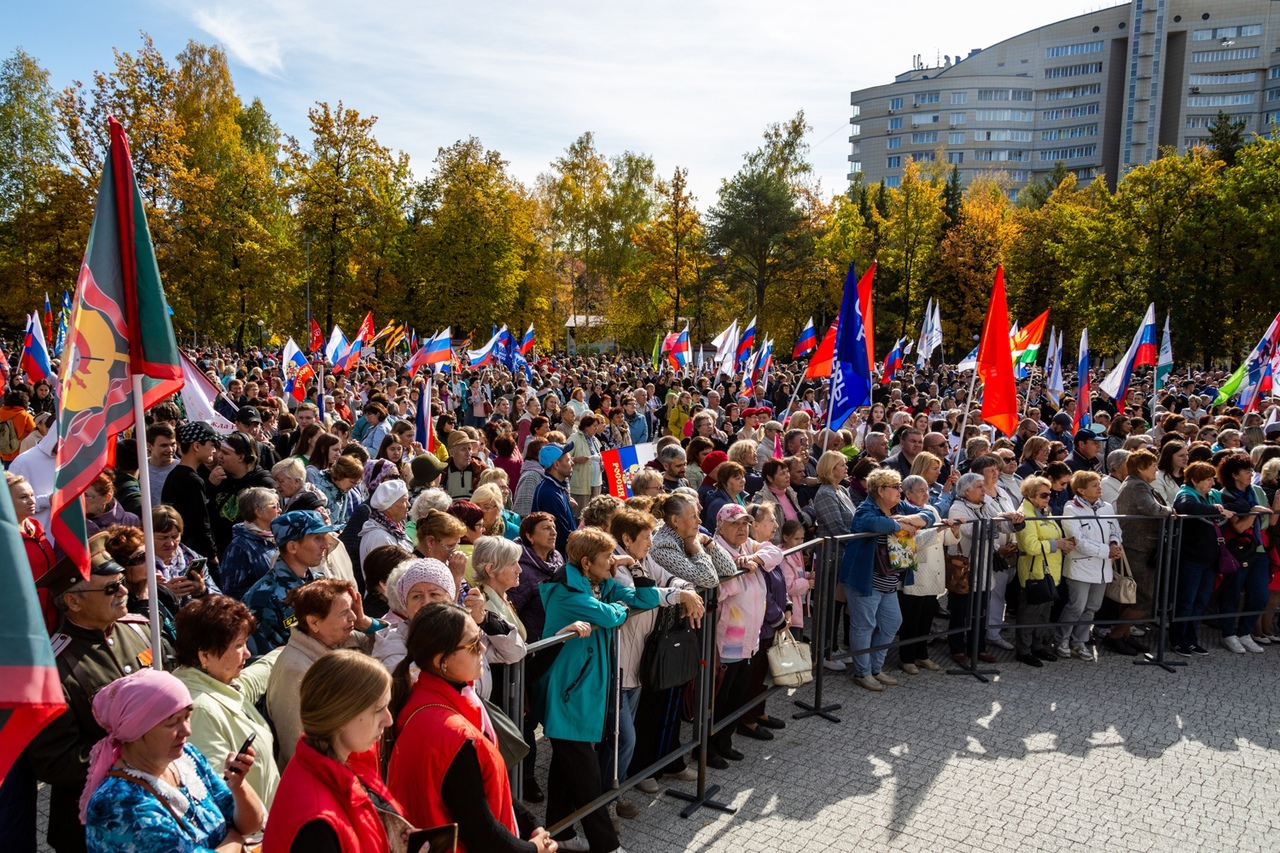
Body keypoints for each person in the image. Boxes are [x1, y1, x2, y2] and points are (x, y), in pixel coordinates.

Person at [386, 604, 558, 853]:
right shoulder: (452, 735)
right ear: (441, 661)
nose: (483, 648)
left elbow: (486, 789)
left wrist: (530, 823)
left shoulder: (425, 695)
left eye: (480, 638)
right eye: (472, 644)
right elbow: (479, 831)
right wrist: (533, 849)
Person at [24, 533, 156, 853]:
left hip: (153, 808)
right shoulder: (53, 669)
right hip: (94, 823)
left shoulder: (140, 628)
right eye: (110, 587)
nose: (124, 590)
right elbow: (54, 761)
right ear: (73, 601)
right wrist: (130, 757)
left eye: (122, 580)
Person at [535, 528, 659, 853]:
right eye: (608, 557)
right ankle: (607, 846)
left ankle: (557, 836)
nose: (613, 561)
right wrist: (617, 610)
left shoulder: (600, 584)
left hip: (585, 694)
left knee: (565, 772)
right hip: (567, 697)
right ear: (587, 562)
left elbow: (646, 599)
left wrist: (637, 568)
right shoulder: (567, 593)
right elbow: (613, 616)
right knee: (588, 781)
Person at [81, 669, 265, 853]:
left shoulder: (187, 757)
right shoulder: (120, 803)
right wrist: (233, 839)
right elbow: (238, 833)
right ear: (135, 731)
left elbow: (250, 825)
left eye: (187, 717)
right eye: (172, 722)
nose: (187, 731)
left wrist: (238, 785)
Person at [607, 508, 703, 807]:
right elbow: (639, 595)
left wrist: (685, 589)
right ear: (627, 538)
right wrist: (678, 596)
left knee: (627, 735)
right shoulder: (615, 566)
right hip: (619, 664)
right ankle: (608, 798)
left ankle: (616, 789)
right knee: (621, 739)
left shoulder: (644, 559)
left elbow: (669, 578)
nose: (651, 543)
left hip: (638, 664)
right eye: (646, 537)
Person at [263, 650, 404, 853]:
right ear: (341, 717)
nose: (388, 720)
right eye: (378, 709)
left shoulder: (339, 762)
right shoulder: (316, 824)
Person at [174, 596, 282, 808]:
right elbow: (217, 796)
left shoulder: (217, 683)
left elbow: (252, 680)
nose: (248, 653)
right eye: (239, 645)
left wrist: (287, 650)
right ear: (205, 655)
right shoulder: (200, 711)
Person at [266, 579, 381, 767]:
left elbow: (396, 642)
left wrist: (365, 623)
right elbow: (296, 746)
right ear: (314, 622)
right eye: (345, 613)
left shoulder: (347, 639)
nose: (353, 617)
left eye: (353, 609)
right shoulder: (295, 671)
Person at [841, 469, 929, 691]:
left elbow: (928, 516)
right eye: (896, 487)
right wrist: (901, 525)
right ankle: (862, 672)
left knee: (891, 623)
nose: (900, 491)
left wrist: (908, 519)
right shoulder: (865, 509)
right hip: (865, 581)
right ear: (881, 490)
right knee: (864, 626)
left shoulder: (898, 507)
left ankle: (876, 668)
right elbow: (875, 523)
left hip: (888, 582)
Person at [244, 510, 342, 655]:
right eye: (317, 538)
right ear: (292, 547)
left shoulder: (320, 582)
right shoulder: (262, 598)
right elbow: (265, 660)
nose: (325, 545)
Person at [1111, 449, 1174, 655]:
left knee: (1134, 596)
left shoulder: (1139, 484)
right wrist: (1172, 511)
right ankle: (1115, 636)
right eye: (1153, 465)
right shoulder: (1137, 485)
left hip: (1142, 545)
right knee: (1143, 597)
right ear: (1140, 468)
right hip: (1138, 546)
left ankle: (1124, 635)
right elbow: (1152, 509)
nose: (1156, 469)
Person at [1210, 453, 1274, 654]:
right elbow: (1237, 527)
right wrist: (1254, 512)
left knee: (1260, 595)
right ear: (1234, 475)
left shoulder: (1257, 491)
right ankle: (1229, 634)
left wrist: (1253, 515)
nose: (1250, 474)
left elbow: (1267, 521)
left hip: (1259, 548)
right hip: (1235, 550)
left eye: (1250, 470)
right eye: (1246, 471)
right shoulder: (1223, 495)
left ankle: (1245, 632)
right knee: (1232, 593)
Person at [1171, 462, 1233, 656]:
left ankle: (1191, 639)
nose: (1212, 483)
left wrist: (1222, 506)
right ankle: (1177, 639)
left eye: (1213, 479)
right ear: (1196, 480)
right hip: (1192, 558)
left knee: (1200, 601)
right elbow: (1186, 506)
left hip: (1211, 560)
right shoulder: (1186, 493)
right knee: (1186, 601)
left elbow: (1241, 504)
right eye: (1208, 479)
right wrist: (1218, 510)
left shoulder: (1214, 494)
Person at [1059, 472, 1123, 660]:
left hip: (1103, 567)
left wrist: (1114, 543)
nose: (1099, 487)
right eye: (1094, 485)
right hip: (1080, 566)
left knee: (1093, 607)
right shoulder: (1071, 508)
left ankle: (1079, 641)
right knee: (1076, 606)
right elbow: (1078, 539)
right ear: (1081, 489)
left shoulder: (1107, 507)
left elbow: (1116, 529)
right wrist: (1107, 551)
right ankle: (1062, 639)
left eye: (1098, 484)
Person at [898, 475, 957, 674]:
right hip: (916, 573)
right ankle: (906, 658)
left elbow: (947, 540)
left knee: (926, 617)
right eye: (921, 490)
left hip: (934, 571)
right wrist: (940, 529)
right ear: (908, 494)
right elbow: (913, 543)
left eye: (926, 490)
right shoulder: (903, 512)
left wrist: (953, 529)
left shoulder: (930, 510)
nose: (926, 494)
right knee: (911, 619)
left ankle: (922, 655)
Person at [373, 557, 457, 672]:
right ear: (405, 604)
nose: (426, 602)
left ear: (450, 599)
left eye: (434, 594)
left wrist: (485, 622)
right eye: (417, 596)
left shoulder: (463, 631)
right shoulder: (390, 643)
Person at [162, 421, 223, 561]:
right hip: (194, 553)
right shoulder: (193, 481)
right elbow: (201, 524)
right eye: (212, 445)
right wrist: (212, 555)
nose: (214, 450)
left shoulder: (174, 475)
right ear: (196, 446)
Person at [9, 471, 58, 633]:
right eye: (23, 497)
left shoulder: (35, 526)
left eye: (32, 495)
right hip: (19, 627)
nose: (32, 501)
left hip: (49, 618)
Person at [217, 486, 281, 600]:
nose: (279, 510)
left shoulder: (276, 538)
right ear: (258, 512)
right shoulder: (239, 547)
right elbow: (231, 593)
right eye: (275, 506)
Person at [531, 442, 576, 555]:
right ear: (556, 465)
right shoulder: (550, 494)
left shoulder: (556, 487)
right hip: (556, 560)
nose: (572, 463)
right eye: (568, 460)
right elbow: (562, 537)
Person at [359, 479, 414, 567]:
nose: (409, 505)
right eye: (404, 501)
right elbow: (387, 574)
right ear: (390, 506)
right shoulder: (380, 537)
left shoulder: (394, 528)